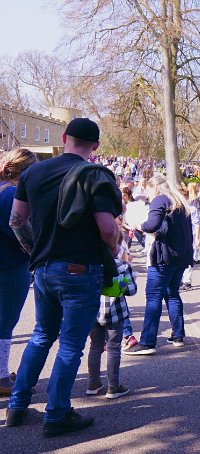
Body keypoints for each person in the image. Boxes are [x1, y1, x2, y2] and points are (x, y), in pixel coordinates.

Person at [6, 118, 122, 437]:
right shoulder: (95, 175)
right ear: (95, 146)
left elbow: (17, 221)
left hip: (43, 269)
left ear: (64, 138)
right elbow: (108, 228)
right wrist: (113, 249)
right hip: (80, 269)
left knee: (41, 335)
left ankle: (16, 407)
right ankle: (56, 414)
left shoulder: (32, 172)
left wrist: (36, 254)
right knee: (70, 343)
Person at [124, 175, 193, 355]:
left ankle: (147, 342)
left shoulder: (160, 200)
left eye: (147, 189)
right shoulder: (179, 201)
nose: (146, 193)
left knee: (153, 297)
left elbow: (152, 225)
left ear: (154, 188)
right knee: (172, 294)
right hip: (180, 257)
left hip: (164, 257)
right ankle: (178, 335)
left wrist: (139, 225)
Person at [0, 148, 38, 396]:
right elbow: (24, 232)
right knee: (5, 323)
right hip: (10, 266)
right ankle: (2, 377)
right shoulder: (11, 195)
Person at [86, 235, 136, 400]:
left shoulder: (91, 266)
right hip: (116, 312)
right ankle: (113, 387)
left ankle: (93, 384)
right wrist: (120, 285)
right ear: (116, 247)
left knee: (95, 347)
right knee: (114, 348)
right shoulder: (121, 266)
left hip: (93, 312)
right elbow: (131, 290)